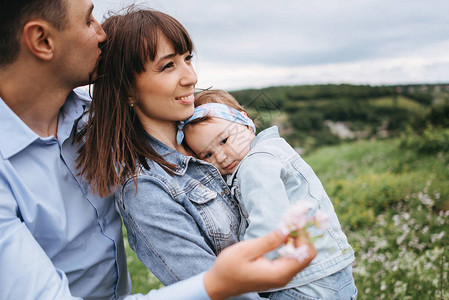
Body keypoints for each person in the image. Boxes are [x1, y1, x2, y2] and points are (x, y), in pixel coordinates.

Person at [0, 1, 316, 299]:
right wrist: (213, 284)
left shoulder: (97, 120)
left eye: (187, 60)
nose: (101, 33)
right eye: (87, 19)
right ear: (42, 40)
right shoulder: (142, 183)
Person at [178, 89, 358, 299]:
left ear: (244, 121)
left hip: (303, 285)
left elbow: (268, 227)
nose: (221, 157)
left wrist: (244, 272)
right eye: (207, 154)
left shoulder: (255, 164)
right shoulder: (272, 150)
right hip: (328, 274)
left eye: (224, 141)